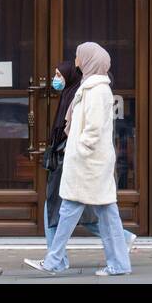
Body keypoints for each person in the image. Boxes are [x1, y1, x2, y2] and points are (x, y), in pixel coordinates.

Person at [26, 42, 133, 276]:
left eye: (79, 56)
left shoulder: (96, 91)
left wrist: (80, 152)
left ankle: (55, 261)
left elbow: (92, 130)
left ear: (89, 61)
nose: (76, 60)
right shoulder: (91, 87)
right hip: (91, 164)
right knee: (100, 214)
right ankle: (117, 264)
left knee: (72, 211)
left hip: (88, 164)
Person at [43, 60, 101, 247]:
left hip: (68, 162)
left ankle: (55, 256)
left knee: (55, 209)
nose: (55, 79)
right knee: (79, 213)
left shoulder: (77, 98)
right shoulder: (68, 96)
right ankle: (123, 238)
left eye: (59, 75)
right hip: (66, 162)